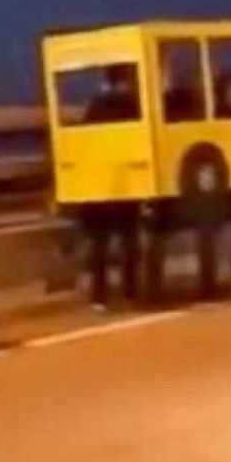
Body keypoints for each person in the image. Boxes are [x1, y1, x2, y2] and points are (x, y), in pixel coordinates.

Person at [79, 65, 141, 307]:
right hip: (124, 180)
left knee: (99, 244)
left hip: (98, 181)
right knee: (128, 240)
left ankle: (100, 296)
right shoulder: (131, 106)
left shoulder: (95, 106)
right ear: (125, 81)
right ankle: (130, 290)